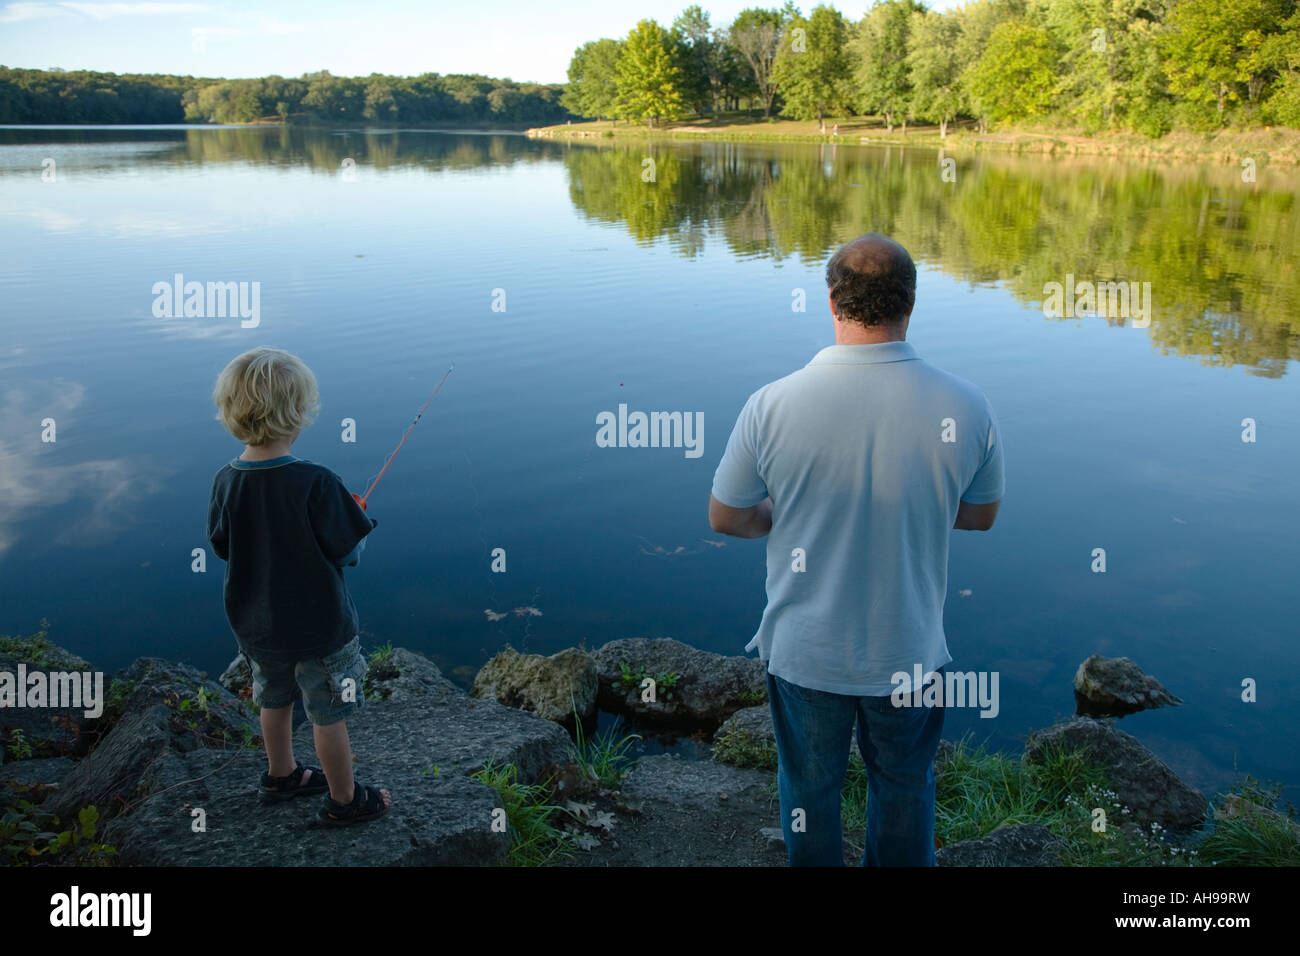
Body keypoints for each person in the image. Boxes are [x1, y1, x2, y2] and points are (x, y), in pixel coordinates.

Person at [708, 234, 1004, 866]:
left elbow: (726, 516)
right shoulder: (966, 404)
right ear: (912, 301)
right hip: (909, 651)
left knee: (809, 791)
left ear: (831, 300)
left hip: (806, 652)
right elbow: (980, 516)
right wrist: (913, 505)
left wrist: (786, 514)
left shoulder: (773, 403)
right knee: (903, 787)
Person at [207, 347, 392, 825]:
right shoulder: (317, 482)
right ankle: (346, 799)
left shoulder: (226, 480)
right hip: (319, 629)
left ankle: (281, 774)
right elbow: (348, 553)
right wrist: (356, 515)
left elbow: (224, 547)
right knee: (328, 712)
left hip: (258, 626)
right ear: (298, 415)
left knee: (273, 697)